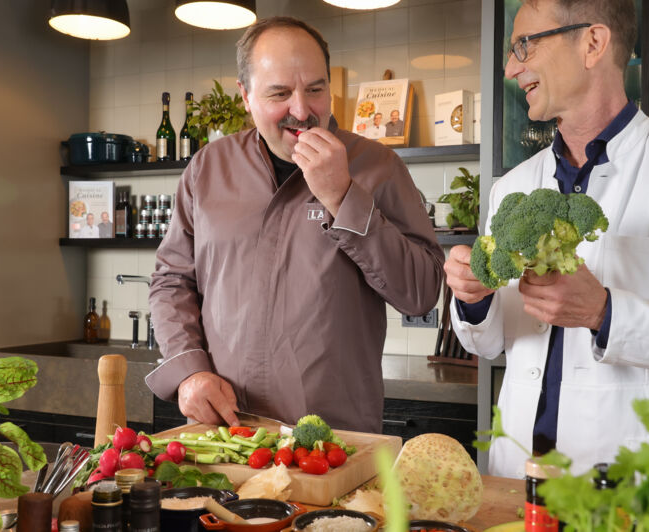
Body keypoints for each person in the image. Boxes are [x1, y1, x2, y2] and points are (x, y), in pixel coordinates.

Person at [445, 0, 649, 486]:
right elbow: (494, 342)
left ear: (593, 43)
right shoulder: (511, 186)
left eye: (524, 45)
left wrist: (605, 313)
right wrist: (473, 299)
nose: (510, 67)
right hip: (520, 479)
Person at [146, 16, 444, 433]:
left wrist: (343, 197)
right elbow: (171, 281)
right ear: (245, 96)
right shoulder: (208, 168)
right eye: (280, 93)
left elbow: (422, 293)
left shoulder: (379, 167)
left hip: (335, 441)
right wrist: (188, 371)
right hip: (227, 435)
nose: (302, 111)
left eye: (316, 89)